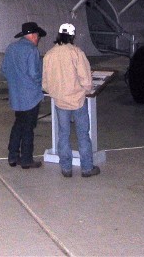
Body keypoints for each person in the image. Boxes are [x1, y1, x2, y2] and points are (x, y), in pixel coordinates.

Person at [42, 23, 100, 178]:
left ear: (59, 35)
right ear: (72, 36)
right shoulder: (76, 53)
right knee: (83, 134)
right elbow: (86, 79)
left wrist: (56, 92)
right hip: (77, 100)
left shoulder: (49, 55)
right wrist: (86, 89)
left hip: (60, 102)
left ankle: (66, 168)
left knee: (63, 134)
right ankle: (87, 168)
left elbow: (45, 83)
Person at [1, 21, 46, 169]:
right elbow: (34, 73)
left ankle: (12, 156)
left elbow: (4, 71)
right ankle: (26, 159)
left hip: (16, 96)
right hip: (31, 97)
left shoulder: (11, 48)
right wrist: (43, 83)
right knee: (28, 128)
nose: (38, 39)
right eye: (37, 36)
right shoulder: (32, 50)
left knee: (18, 124)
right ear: (33, 35)